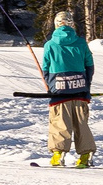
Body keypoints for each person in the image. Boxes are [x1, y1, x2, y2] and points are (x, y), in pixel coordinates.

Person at [41, 10, 96, 167]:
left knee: (60, 123)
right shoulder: (80, 43)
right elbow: (90, 66)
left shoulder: (50, 45)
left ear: (56, 25)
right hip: (79, 90)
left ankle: (58, 155)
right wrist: (86, 85)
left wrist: (51, 86)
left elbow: (45, 69)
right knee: (81, 123)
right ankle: (85, 156)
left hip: (59, 91)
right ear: (72, 24)